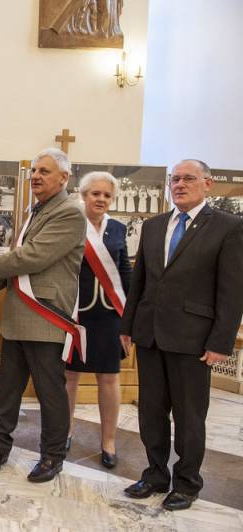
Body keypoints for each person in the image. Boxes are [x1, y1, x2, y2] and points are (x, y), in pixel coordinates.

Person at [120, 159, 243, 511]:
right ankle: (155, 475)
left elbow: (232, 291)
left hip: (193, 340)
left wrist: (221, 342)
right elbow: (139, 282)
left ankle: (187, 483)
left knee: (189, 417)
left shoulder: (228, 227)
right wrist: (127, 326)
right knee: (150, 413)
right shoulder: (154, 225)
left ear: (208, 184)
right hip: (150, 336)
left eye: (188, 178)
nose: (180, 184)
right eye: (175, 179)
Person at [0, 147, 86, 483]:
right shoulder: (35, 211)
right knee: (6, 391)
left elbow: (32, 258)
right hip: (17, 317)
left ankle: (52, 456)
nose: (35, 176)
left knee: (50, 394)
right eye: (34, 170)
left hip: (46, 317)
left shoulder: (69, 213)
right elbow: (17, 264)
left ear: (63, 178)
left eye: (44, 171)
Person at [64, 171, 131, 469]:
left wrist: (129, 318)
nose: (101, 199)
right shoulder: (70, 223)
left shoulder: (117, 228)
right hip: (76, 313)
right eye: (95, 193)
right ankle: (64, 433)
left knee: (109, 377)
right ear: (84, 195)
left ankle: (108, 442)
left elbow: (124, 271)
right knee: (69, 376)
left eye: (107, 195)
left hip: (109, 315)